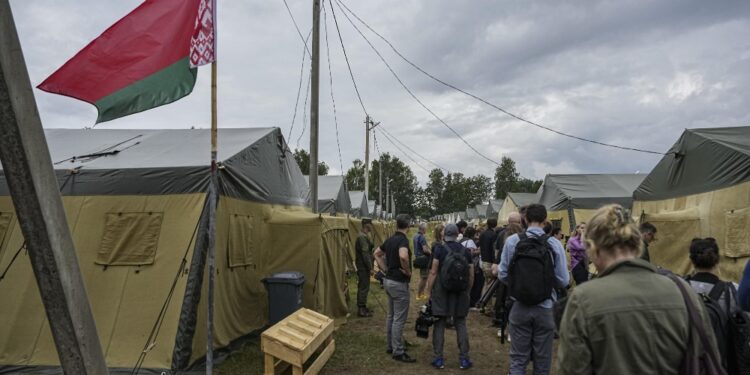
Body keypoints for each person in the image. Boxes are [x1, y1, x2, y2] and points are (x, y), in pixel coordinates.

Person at [556, 204, 720, 374]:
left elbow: (572, 369)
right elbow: (708, 355)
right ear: (638, 245)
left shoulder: (583, 299)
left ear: (593, 249)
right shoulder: (684, 292)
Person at [500, 204, 569, 375]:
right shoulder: (553, 243)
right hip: (545, 307)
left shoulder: (512, 241)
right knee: (543, 361)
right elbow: (563, 280)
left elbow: (502, 274)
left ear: (525, 219)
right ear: (546, 220)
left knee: (518, 359)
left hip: (519, 306)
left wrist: (519, 284)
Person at [425, 224, 474, 370]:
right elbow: (471, 274)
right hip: (460, 292)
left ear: (444, 234)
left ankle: (438, 358)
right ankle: (464, 359)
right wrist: (468, 290)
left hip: (441, 292)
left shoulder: (439, 249)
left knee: (439, 323)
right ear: (458, 234)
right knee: (460, 323)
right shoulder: (465, 251)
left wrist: (428, 291)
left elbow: (433, 272)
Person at [686, 237, 738, 369]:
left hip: (688, 362)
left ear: (691, 260)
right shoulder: (731, 290)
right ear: (717, 260)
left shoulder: (679, 289)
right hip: (721, 361)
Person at [373, 214, 416, 363]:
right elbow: (403, 256)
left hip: (388, 281)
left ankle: (391, 345)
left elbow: (376, 253)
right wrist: (407, 271)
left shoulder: (390, 239)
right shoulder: (403, 240)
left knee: (391, 316)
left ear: (397, 225)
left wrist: (385, 269)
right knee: (399, 319)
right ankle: (398, 351)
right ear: (408, 226)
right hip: (398, 283)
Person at [355, 218, 375, 317]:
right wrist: (370, 267)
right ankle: (361, 309)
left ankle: (362, 306)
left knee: (363, 286)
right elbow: (365, 253)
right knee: (364, 286)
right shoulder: (362, 237)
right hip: (363, 266)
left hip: (363, 265)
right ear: (367, 225)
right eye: (370, 224)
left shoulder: (365, 235)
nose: (372, 226)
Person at [461, 226, 482, 308]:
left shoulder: (462, 239)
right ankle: (470, 303)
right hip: (470, 264)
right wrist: (479, 251)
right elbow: (471, 253)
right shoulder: (470, 242)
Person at [414, 222, 432, 300]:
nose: (426, 230)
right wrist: (431, 253)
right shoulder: (421, 237)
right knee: (424, 278)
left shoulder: (415, 236)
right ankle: (419, 294)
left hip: (418, 258)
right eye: (426, 228)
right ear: (423, 229)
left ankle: (421, 293)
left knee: (424, 277)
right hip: (423, 258)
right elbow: (425, 249)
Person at [479, 218, 499, 283]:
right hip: (490, 262)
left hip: (483, 260)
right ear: (496, 225)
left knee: (486, 282)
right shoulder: (494, 235)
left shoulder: (482, 234)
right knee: (490, 284)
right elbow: (493, 249)